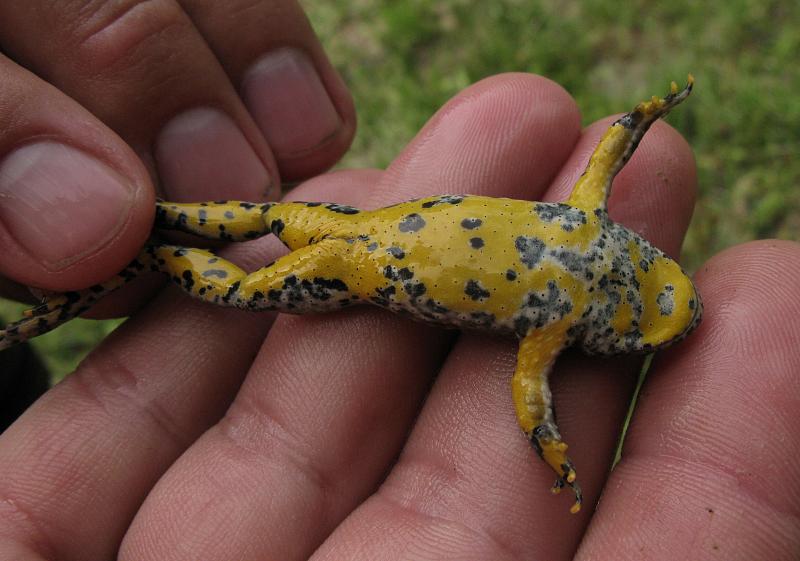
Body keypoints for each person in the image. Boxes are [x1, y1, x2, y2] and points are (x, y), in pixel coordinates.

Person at [0, 3, 797, 559]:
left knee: (267, 219)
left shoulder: (583, 227)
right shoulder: (558, 312)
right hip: (357, 260)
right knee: (245, 282)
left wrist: (642, 116)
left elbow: (605, 159)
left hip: (366, 241)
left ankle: (148, 241)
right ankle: (153, 252)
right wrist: (550, 449)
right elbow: (529, 397)